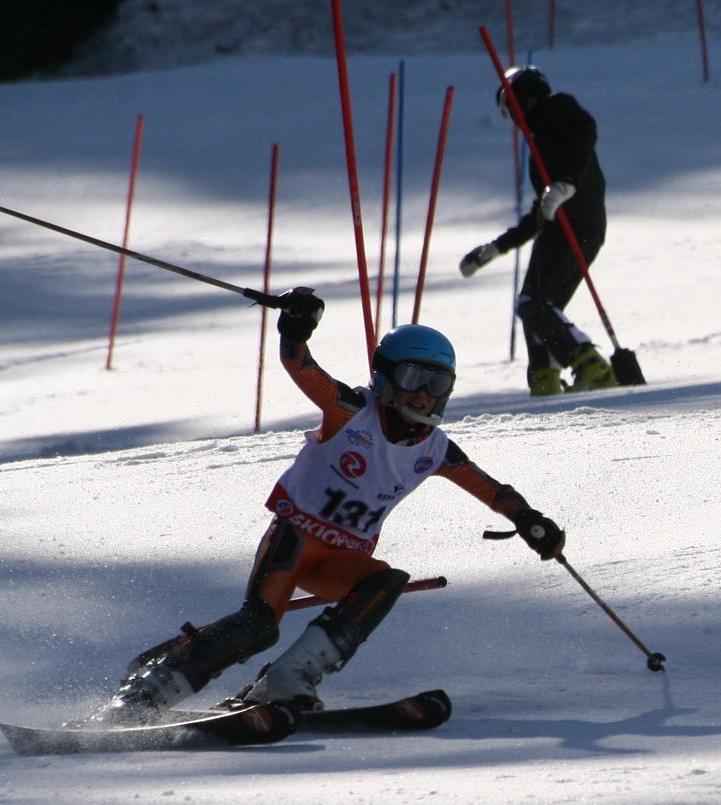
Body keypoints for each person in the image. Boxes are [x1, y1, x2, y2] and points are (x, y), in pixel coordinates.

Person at [99, 286, 566, 722]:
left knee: (384, 582)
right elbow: (300, 366)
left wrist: (529, 520)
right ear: (386, 376)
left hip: (341, 559)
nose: (425, 394)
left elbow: (491, 490)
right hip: (295, 539)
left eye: (437, 382)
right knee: (258, 625)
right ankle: (143, 697)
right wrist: (295, 328)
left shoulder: (434, 449)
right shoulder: (351, 412)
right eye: (413, 377)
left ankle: (288, 679)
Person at [458, 64, 616, 397]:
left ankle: (590, 364)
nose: (515, 120)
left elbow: (585, 130)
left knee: (536, 304)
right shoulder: (539, 146)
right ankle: (544, 375)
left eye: (510, 109)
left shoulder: (559, 109)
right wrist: (496, 248)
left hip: (576, 225)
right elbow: (540, 213)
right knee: (537, 306)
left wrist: (566, 184)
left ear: (525, 99)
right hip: (567, 228)